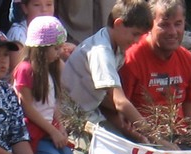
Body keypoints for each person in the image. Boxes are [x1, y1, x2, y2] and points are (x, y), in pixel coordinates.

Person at [120, 0, 191, 148]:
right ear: (149, 26)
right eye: (164, 25)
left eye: (178, 24)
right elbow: (120, 115)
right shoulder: (132, 57)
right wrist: (158, 142)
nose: (172, 32)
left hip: (179, 140)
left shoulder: (186, 58)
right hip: (142, 142)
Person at [61, 0, 153, 142]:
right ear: (118, 24)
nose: (137, 40)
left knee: (128, 143)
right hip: (71, 117)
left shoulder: (118, 45)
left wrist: (121, 115)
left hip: (91, 111)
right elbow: (120, 101)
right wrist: (157, 138)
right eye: (135, 34)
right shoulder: (101, 51)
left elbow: (108, 97)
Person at [13, 16, 86, 154]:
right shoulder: (25, 69)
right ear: (40, 48)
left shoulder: (50, 69)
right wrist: (52, 131)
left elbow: (52, 104)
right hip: (37, 135)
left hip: (50, 132)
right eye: (55, 48)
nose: (59, 52)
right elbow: (28, 108)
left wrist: (60, 127)